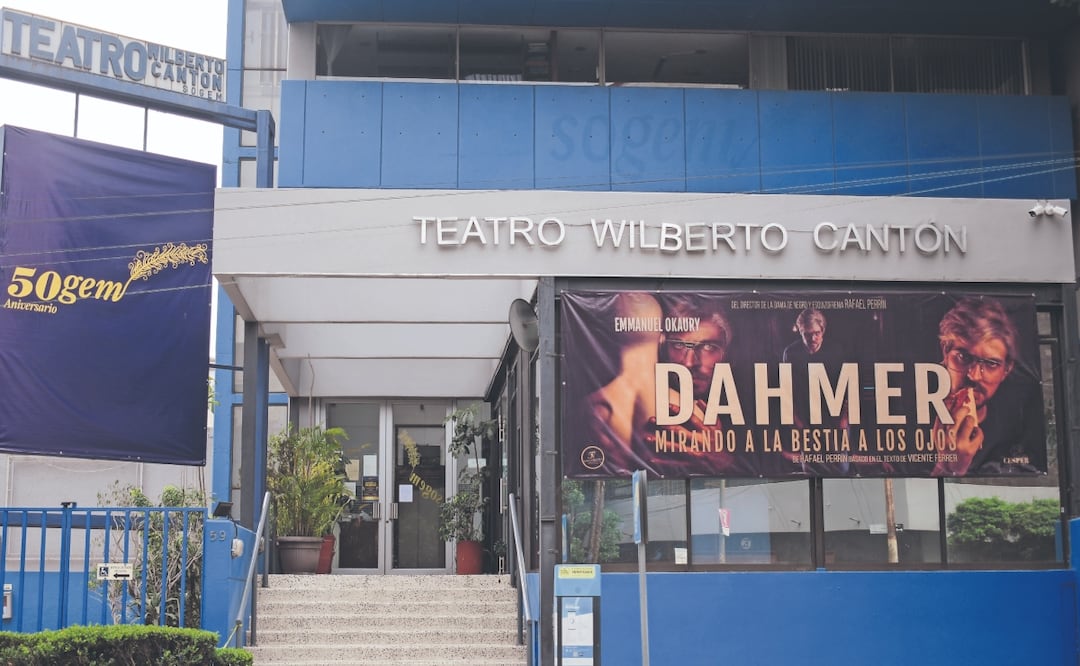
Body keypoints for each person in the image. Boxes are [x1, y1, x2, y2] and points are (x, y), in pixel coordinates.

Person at [930, 297, 1045, 476]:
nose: (974, 375)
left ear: (1007, 370)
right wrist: (945, 467)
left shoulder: (1018, 429)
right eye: (963, 357)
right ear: (945, 351)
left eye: (991, 363)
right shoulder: (908, 417)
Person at [782, 309, 851, 474]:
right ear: (800, 332)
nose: (813, 338)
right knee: (811, 468)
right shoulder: (791, 353)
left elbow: (848, 386)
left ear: (823, 331)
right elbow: (787, 390)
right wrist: (796, 419)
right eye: (807, 334)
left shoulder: (836, 350)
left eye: (816, 333)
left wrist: (844, 418)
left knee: (840, 468)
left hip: (834, 416)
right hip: (807, 418)